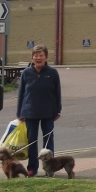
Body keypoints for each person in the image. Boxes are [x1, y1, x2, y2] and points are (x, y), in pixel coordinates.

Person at [16, 45, 62, 177]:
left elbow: (57, 92)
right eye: (36, 55)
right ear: (32, 57)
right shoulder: (26, 73)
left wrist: (58, 110)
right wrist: (19, 113)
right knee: (32, 141)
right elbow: (21, 94)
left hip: (49, 112)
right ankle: (32, 168)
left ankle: (50, 168)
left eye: (41, 55)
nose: (38, 58)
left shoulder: (52, 73)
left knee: (48, 140)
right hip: (30, 112)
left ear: (46, 57)